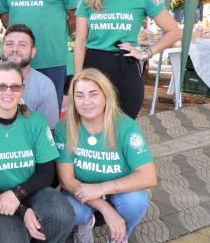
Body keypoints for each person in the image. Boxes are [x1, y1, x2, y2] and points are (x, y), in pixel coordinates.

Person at [0, 61, 74, 243]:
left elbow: (46, 172)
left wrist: (17, 194)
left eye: (14, 87)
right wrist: (22, 210)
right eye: (1, 86)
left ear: (23, 89)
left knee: (63, 214)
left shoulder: (35, 121)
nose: (8, 92)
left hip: (31, 190)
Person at [73, 0, 180, 119]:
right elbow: (80, 41)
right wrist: (78, 80)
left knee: (123, 131)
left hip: (125, 69)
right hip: (94, 69)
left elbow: (174, 31)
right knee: (93, 129)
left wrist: (146, 53)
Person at [55, 68, 157, 243]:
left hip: (117, 189)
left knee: (135, 201)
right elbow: (66, 181)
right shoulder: (64, 128)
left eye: (93, 94)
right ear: (73, 100)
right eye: (79, 95)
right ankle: (87, 222)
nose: (87, 102)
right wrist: (105, 209)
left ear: (106, 95)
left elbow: (149, 176)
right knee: (72, 211)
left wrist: (102, 188)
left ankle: (119, 236)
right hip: (80, 190)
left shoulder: (125, 126)